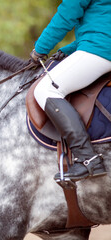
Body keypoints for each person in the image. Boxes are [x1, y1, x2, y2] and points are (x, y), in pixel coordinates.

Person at [30, 0, 111, 181]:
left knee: (46, 89)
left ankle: (86, 158)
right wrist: (67, 50)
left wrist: (40, 49)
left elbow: (68, 13)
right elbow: (103, 21)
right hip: (101, 44)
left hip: (101, 50)